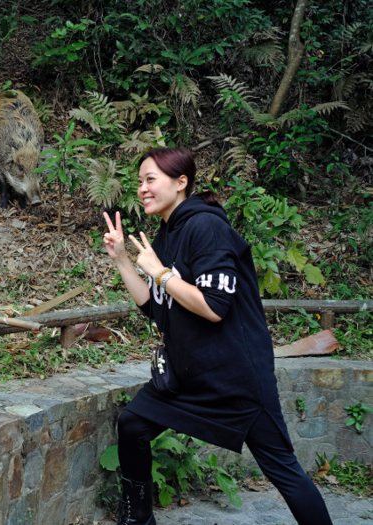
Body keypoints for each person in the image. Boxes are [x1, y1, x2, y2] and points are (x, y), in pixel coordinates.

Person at [102, 147, 332, 525]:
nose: (142, 188)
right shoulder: (167, 236)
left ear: (181, 182)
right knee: (133, 423)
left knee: (282, 470)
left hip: (235, 378)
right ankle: (137, 520)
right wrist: (124, 261)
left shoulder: (206, 228)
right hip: (189, 376)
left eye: (151, 179)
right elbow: (155, 307)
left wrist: (160, 273)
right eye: (139, 181)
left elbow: (214, 306)